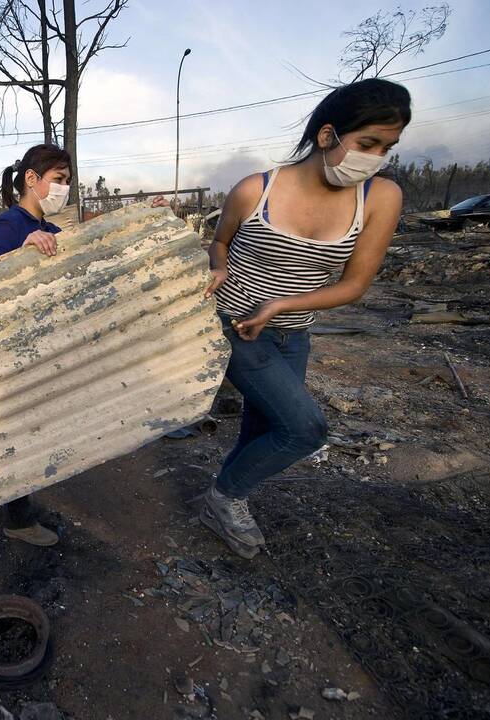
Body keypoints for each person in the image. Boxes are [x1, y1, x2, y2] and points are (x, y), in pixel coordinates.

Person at [202, 78, 409, 558]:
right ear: (327, 136)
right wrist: (218, 265)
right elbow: (220, 242)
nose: (377, 157)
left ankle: (228, 496)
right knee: (305, 428)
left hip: (293, 334)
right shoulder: (256, 189)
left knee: (265, 427)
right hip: (234, 325)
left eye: (388, 147)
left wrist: (278, 307)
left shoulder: (381, 198)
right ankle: (224, 498)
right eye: (368, 144)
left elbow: (355, 284)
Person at [0, 143, 76, 546]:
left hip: (36, 346)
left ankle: (15, 506)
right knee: (17, 434)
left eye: (67, 182)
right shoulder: (9, 226)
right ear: (32, 179)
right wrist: (20, 252)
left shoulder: (53, 230)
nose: (64, 189)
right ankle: (18, 519)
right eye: (58, 180)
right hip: (9, 351)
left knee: (29, 431)